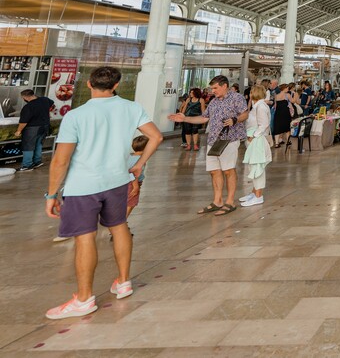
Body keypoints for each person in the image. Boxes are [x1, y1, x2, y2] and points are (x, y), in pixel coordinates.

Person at [44, 66, 163, 320]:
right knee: (119, 226)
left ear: (89, 84)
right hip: (118, 179)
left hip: (83, 185)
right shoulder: (131, 108)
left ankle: (84, 298)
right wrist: (139, 164)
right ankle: (123, 281)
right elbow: (156, 136)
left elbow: (61, 160)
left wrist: (51, 194)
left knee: (85, 238)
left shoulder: (76, 115)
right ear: (116, 85)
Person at [169, 75, 249, 217]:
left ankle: (230, 201)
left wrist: (235, 119)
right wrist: (185, 118)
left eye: (215, 88)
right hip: (213, 140)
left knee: (229, 170)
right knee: (214, 170)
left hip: (230, 139)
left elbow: (245, 114)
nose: (213, 91)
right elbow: (205, 117)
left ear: (224, 86)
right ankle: (217, 201)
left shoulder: (237, 98)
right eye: (212, 88)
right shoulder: (213, 101)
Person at [240, 84, 272, 207]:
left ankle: (258, 195)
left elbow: (264, 124)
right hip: (254, 139)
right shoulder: (257, 106)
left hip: (257, 140)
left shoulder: (261, 107)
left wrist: (254, 135)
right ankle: (254, 192)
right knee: (253, 166)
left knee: (257, 166)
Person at [15, 88, 54, 172]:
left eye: (23, 97)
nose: (23, 99)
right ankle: (37, 162)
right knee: (38, 144)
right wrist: (47, 113)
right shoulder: (45, 100)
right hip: (45, 126)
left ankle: (27, 165)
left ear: (26, 97)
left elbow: (23, 122)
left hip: (32, 128)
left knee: (28, 146)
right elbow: (52, 104)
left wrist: (18, 131)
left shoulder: (28, 107)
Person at [125, 135, 149, 219]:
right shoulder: (139, 160)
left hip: (125, 183)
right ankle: (120, 226)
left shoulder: (130, 156)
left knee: (126, 204)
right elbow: (133, 174)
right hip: (132, 184)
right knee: (130, 204)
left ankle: (122, 224)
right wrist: (135, 187)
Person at [271, 83, 292, 148]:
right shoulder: (287, 95)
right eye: (287, 88)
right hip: (285, 113)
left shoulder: (276, 96)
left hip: (278, 113)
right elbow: (292, 101)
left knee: (277, 127)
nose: (288, 89)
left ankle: (277, 144)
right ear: (284, 88)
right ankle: (288, 141)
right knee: (287, 127)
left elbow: (275, 105)